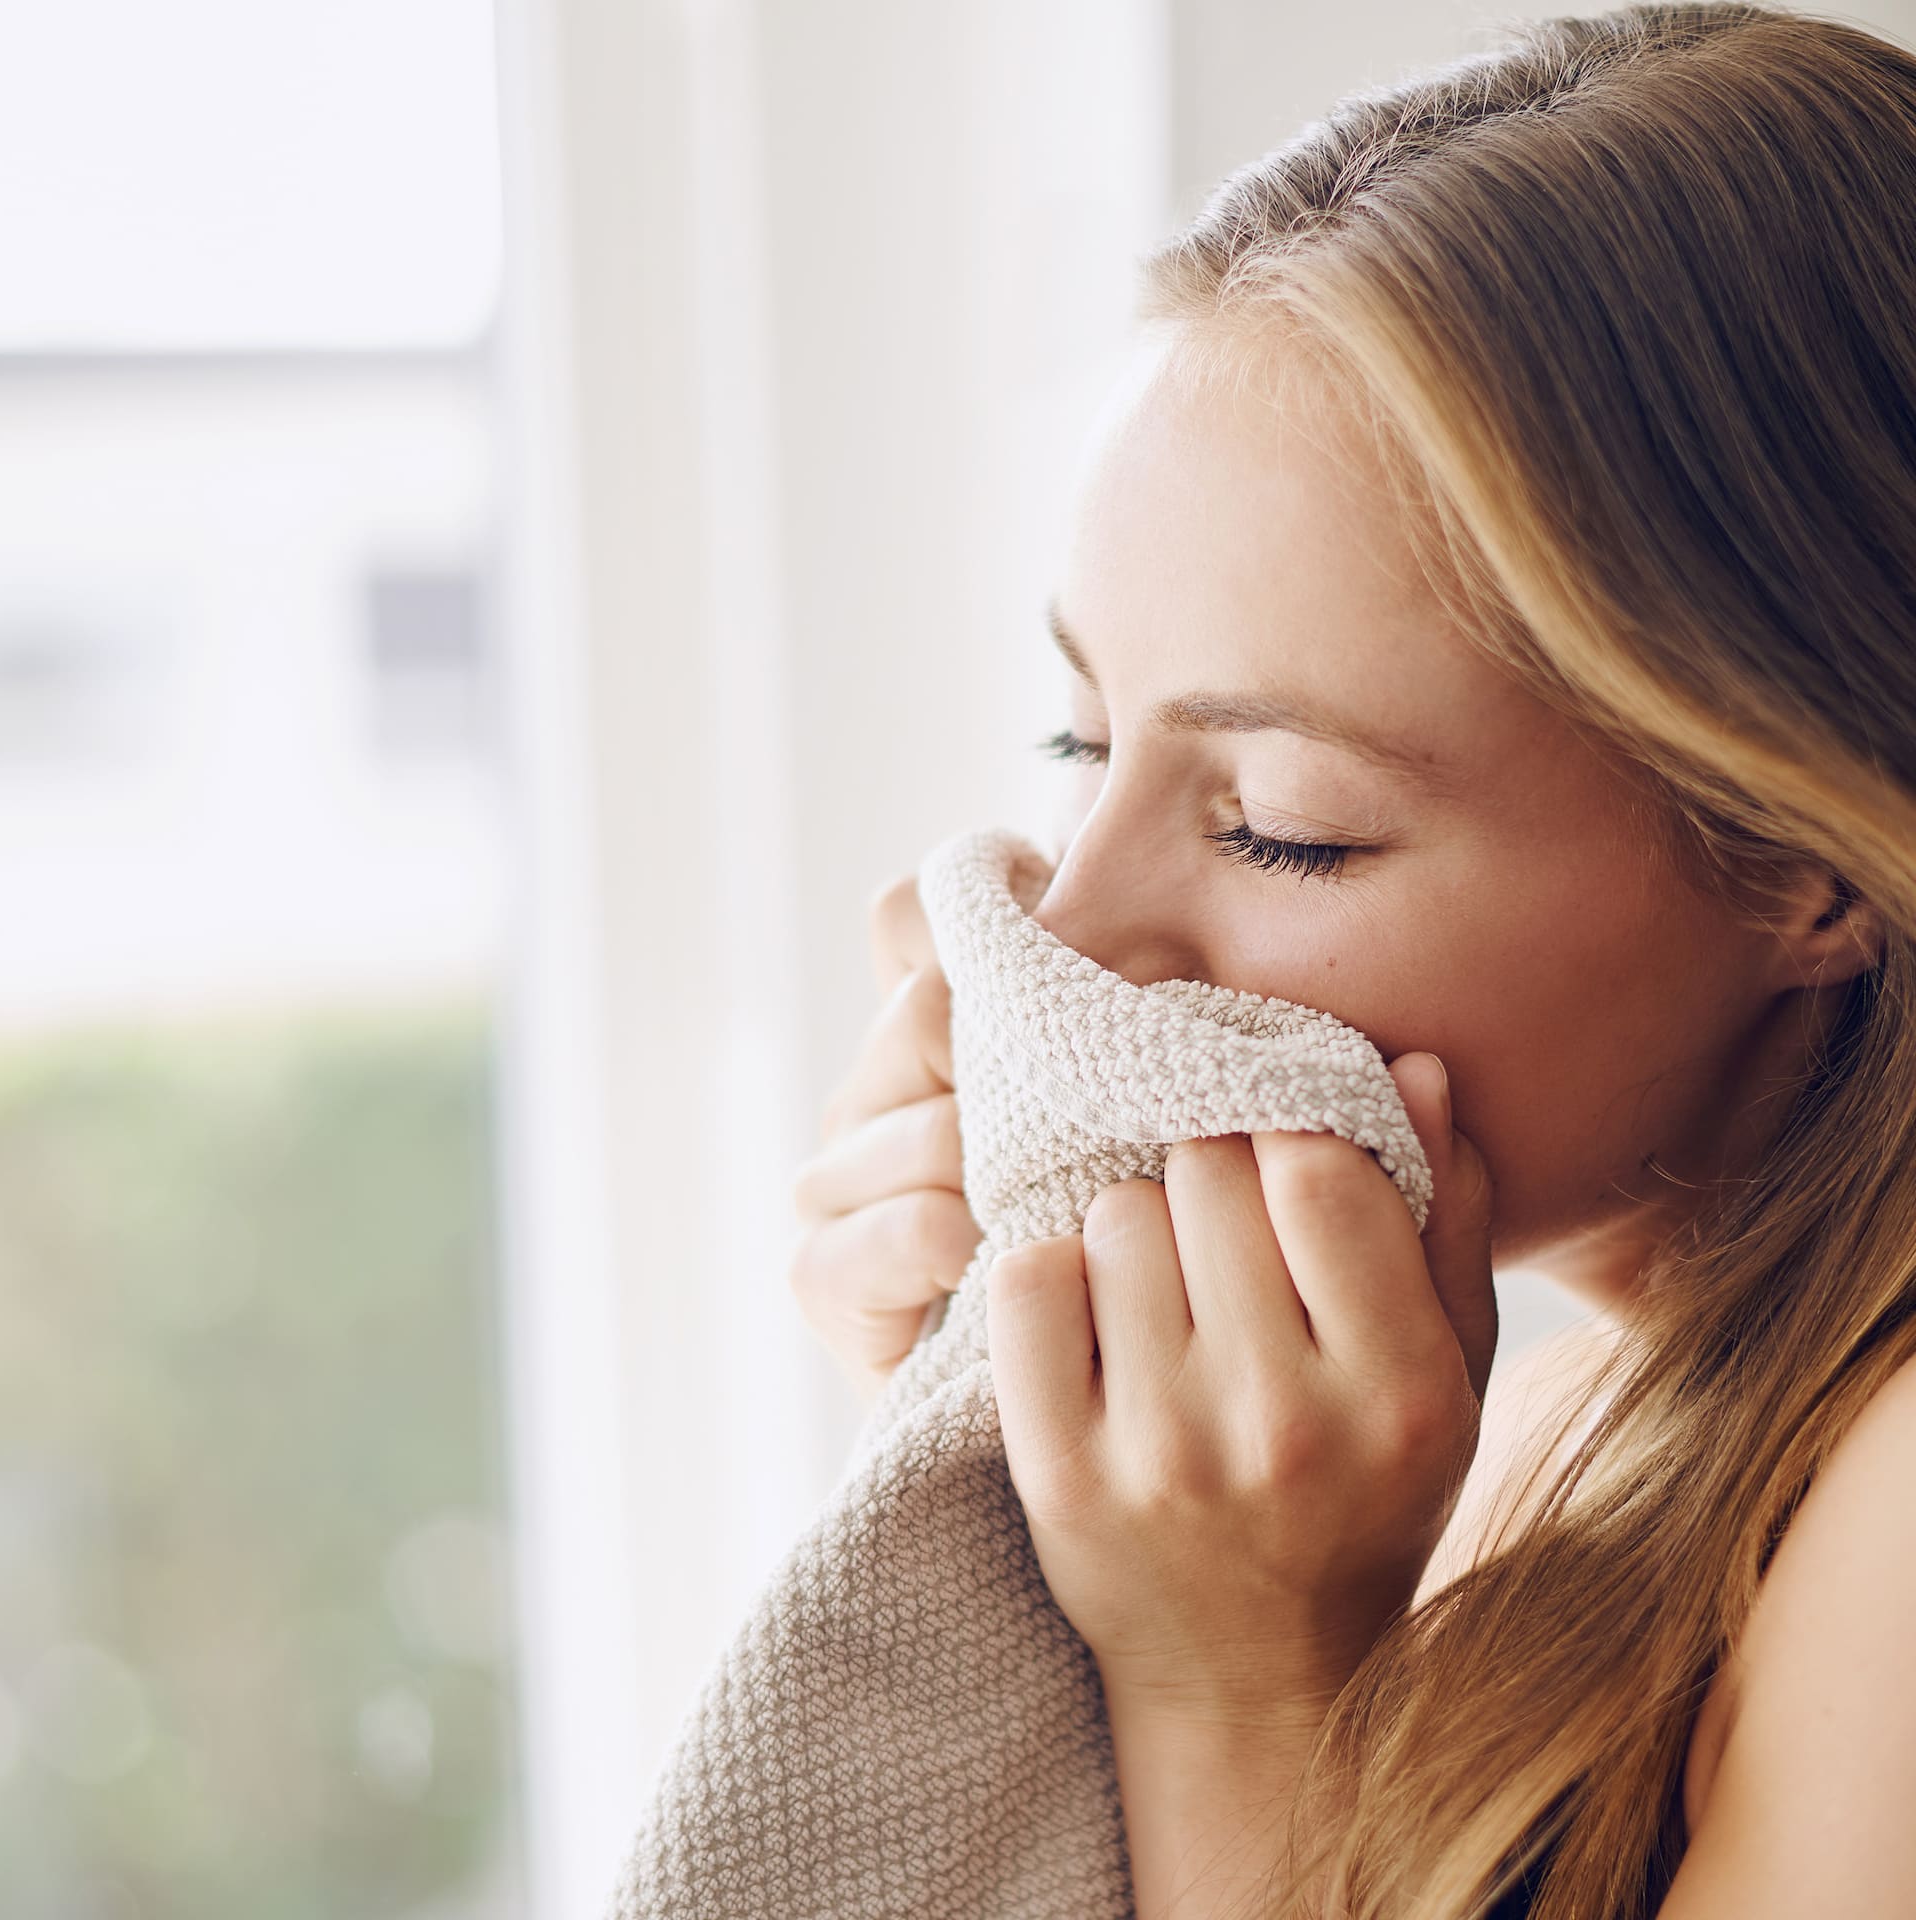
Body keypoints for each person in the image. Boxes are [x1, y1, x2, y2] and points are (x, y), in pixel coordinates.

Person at [788, 4, 1916, 1914]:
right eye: (1086, 744)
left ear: (1806, 858)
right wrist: (1024, 1458)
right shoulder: (1544, 1439)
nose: (1069, 932)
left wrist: (1231, 1683)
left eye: (1281, 823)